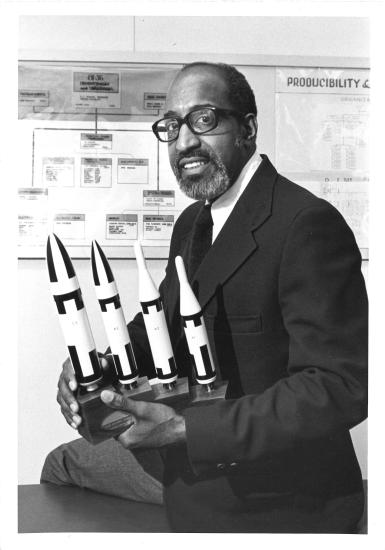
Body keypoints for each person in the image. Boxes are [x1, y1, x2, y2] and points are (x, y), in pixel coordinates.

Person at [41, 61, 368, 533]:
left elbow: (341, 387)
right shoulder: (192, 223)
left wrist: (184, 429)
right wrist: (95, 366)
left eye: (205, 119)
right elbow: (162, 321)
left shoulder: (305, 225)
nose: (184, 141)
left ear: (249, 128)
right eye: (172, 126)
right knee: (63, 461)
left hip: (280, 506)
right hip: (194, 479)